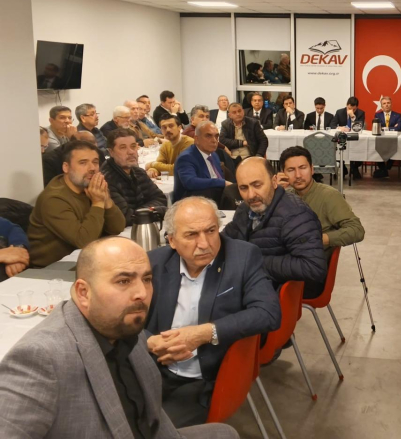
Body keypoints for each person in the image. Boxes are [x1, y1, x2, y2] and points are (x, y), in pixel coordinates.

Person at [0, 236, 239, 439]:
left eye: (146, 279)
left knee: (224, 433)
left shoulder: (124, 327)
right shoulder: (40, 357)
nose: (142, 293)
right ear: (83, 292)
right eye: (123, 281)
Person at [145, 198, 281, 426]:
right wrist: (150, 343)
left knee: (154, 430)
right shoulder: (154, 262)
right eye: (191, 235)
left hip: (204, 381)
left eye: (211, 231)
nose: (204, 243)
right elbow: (121, 320)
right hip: (153, 369)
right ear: (172, 240)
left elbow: (268, 312)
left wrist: (205, 333)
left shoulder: (242, 257)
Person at [223, 158, 327, 298]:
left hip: (272, 295)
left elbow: (314, 267)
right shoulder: (245, 209)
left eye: (257, 185)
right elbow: (226, 239)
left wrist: (253, 261)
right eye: (243, 188)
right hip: (246, 284)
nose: (251, 195)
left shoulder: (295, 215)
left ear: (274, 182)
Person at [28, 140, 126, 268]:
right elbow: (84, 241)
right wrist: (97, 202)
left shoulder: (89, 187)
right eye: (83, 163)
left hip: (84, 259)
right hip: (51, 269)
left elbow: (117, 228)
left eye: (95, 162)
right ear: (66, 167)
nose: (92, 168)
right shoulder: (53, 199)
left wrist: (106, 200)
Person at [279, 146, 365, 260]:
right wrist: (272, 192)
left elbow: (357, 230)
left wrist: (318, 239)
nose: (298, 175)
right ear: (283, 174)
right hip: (285, 256)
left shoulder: (329, 196)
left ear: (312, 169)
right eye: (291, 170)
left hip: (310, 262)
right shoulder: (284, 196)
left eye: (303, 168)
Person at [101, 128, 168, 226]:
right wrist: (157, 211)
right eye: (123, 148)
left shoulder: (138, 172)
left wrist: (141, 213)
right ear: (111, 152)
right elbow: (125, 217)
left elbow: (161, 199)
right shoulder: (106, 179)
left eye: (133, 146)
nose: (131, 152)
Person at [174, 121, 232, 204]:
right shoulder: (186, 157)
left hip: (215, 199)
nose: (214, 140)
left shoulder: (214, 154)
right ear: (197, 139)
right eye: (208, 136)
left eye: (216, 136)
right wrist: (222, 182)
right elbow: (190, 182)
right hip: (191, 203)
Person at [332, 97, 366, 178]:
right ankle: (343, 167)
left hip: (355, 138)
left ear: (356, 107)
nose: (351, 110)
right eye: (349, 108)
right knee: (337, 149)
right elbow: (332, 124)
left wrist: (353, 116)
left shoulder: (361, 113)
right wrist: (340, 128)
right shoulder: (340, 112)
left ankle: (354, 167)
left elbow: (360, 127)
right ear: (347, 105)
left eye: (353, 109)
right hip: (342, 136)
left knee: (361, 149)